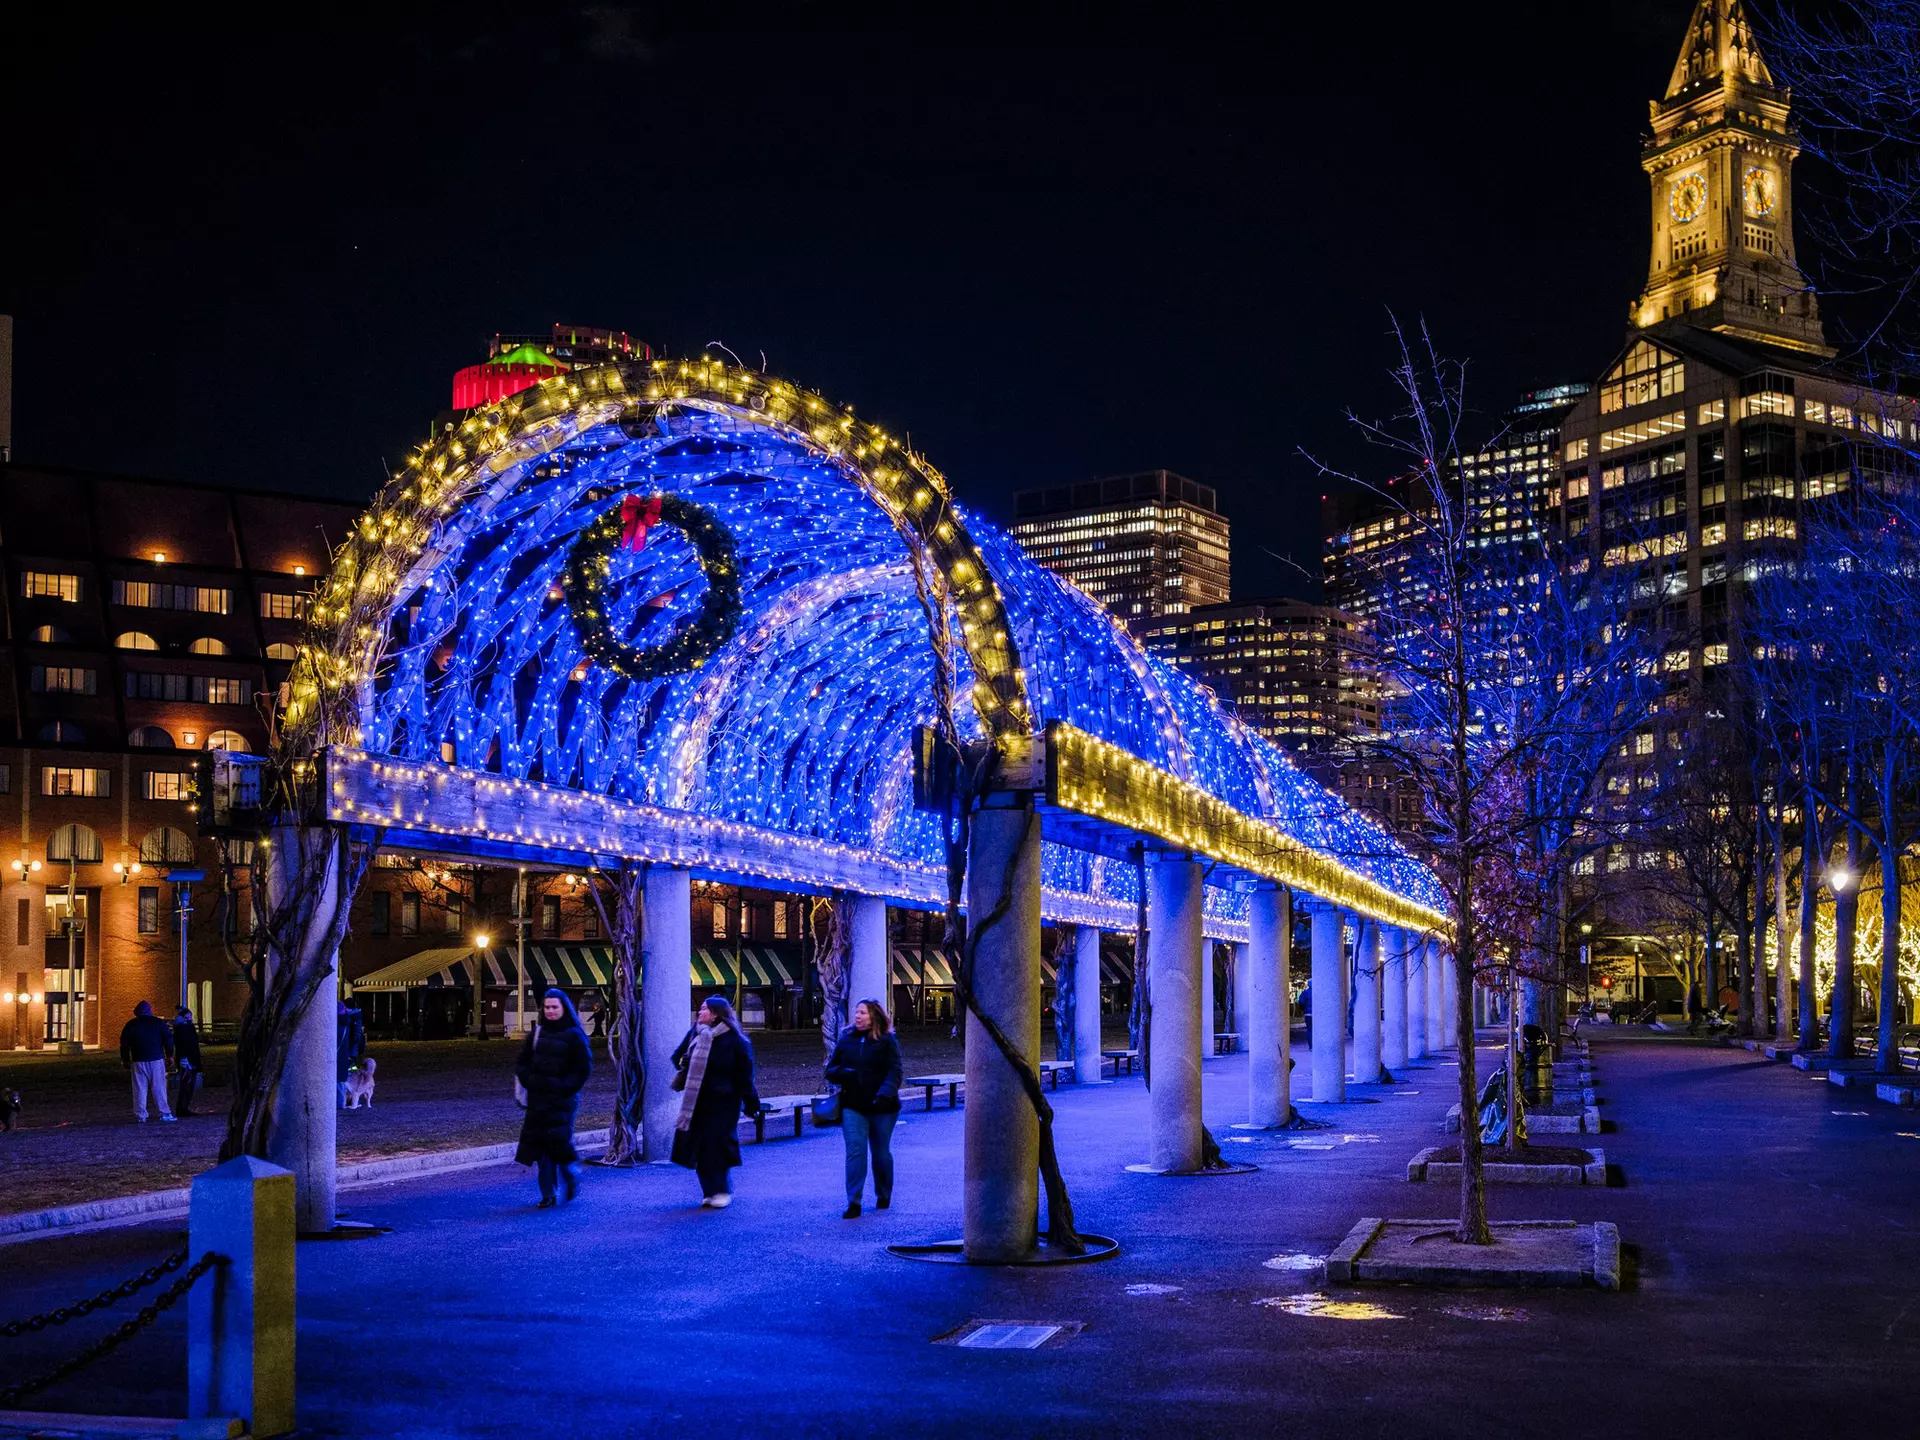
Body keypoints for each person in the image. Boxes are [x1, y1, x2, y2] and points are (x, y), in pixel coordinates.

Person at [670, 995, 760, 1208]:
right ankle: (710, 1190)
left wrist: (751, 1104)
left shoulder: (735, 1041)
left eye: (704, 1009)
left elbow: (745, 1076)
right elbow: (677, 1057)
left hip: (724, 1102)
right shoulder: (696, 1034)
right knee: (700, 1147)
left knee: (716, 1146)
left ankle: (721, 1189)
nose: (699, 1012)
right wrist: (687, 1062)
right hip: (697, 1101)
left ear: (715, 1015)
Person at [825, 997, 903, 1218]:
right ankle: (854, 1202)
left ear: (874, 1016)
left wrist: (885, 1092)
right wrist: (844, 1073)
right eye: (856, 1012)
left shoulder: (887, 1041)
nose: (857, 1016)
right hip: (853, 1105)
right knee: (855, 1152)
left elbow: (895, 1071)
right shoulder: (846, 1039)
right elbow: (831, 1069)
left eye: (863, 1013)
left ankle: (883, 1193)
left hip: (883, 1107)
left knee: (881, 1154)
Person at [515, 988, 593, 1208]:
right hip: (538, 1098)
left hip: (562, 1099)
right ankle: (548, 1193)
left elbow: (583, 1067)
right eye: (547, 1007)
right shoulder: (537, 1034)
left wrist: (564, 1086)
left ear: (563, 1008)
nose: (550, 1011)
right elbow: (522, 1062)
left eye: (554, 1007)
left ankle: (571, 1174)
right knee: (540, 1147)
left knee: (558, 1142)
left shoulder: (574, 1035)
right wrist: (530, 1080)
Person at [119, 1001, 175, 1123]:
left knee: (139, 1088)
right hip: (156, 1059)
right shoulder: (158, 1023)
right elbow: (168, 1039)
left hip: (138, 1060)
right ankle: (164, 1112)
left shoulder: (131, 1025)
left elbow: (124, 1045)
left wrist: (125, 1060)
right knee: (159, 1087)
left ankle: (141, 1115)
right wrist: (170, 1055)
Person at [171, 1006, 204, 1116]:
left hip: (189, 1059)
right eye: (189, 1015)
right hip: (188, 1061)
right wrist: (185, 1060)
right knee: (187, 1086)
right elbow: (185, 1045)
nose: (191, 1017)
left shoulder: (184, 1027)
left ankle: (183, 1107)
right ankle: (182, 1108)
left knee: (188, 1085)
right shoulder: (184, 1028)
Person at [336, 999, 367, 1111]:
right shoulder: (354, 1018)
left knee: (348, 1076)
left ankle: (349, 1100)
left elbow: (355, 1037)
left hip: (350, 1052)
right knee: (346, 1076)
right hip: (350, 1052)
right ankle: (349, 1100)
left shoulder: (350, 1019)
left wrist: (352, 1051)